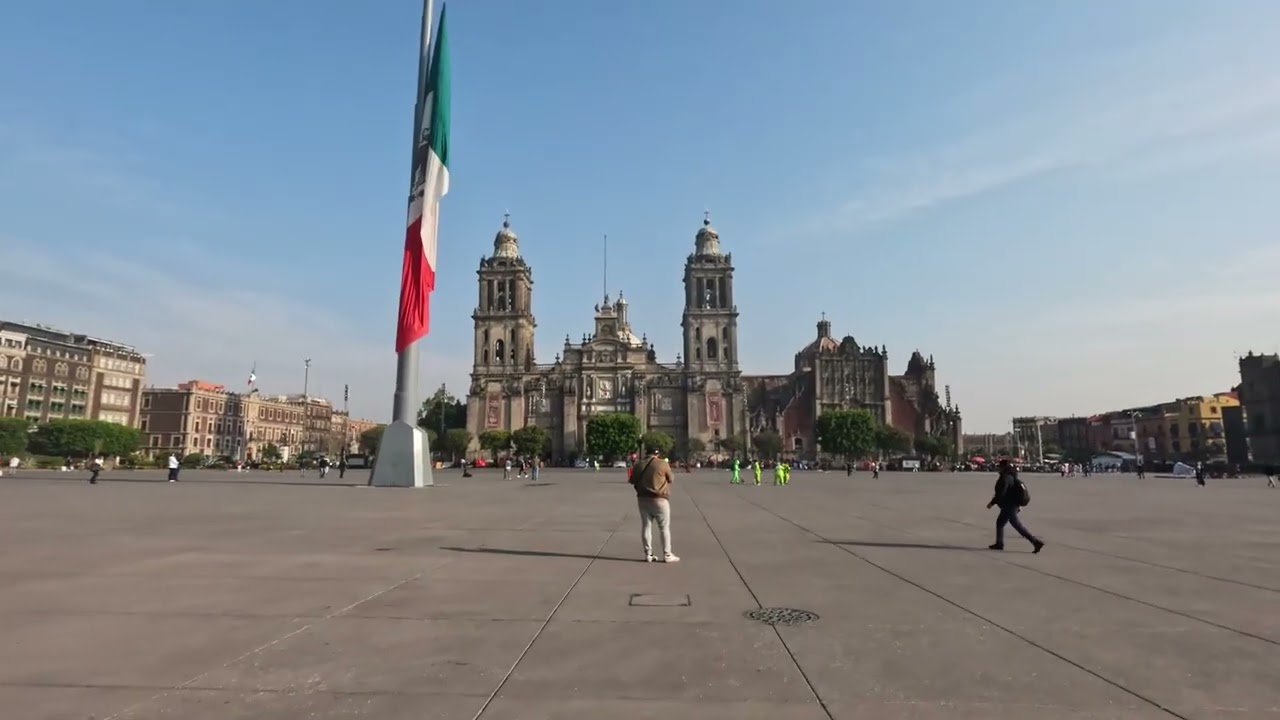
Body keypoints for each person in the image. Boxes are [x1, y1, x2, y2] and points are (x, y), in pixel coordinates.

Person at [629, 447, 679, 563]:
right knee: (664, 528)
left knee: (646, 526)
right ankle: (667, 555)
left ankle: (648, 554)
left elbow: (632, 480)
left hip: (642, 499)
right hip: (659, 499)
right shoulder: (662, 464)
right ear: (657, 454)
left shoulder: (639, 464)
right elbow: (671, 479)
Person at [987, 459, 1043, 553]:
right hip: (1011, 505)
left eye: (1000, 466)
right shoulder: (1011, 476)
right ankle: (999, 543)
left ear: (1003, 467)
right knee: (1000, 523)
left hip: (1009, 505)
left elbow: (1001, 492)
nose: (998, 468)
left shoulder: (1006, 477)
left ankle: (1035, 542)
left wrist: (992, 503)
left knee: (1017, 526)